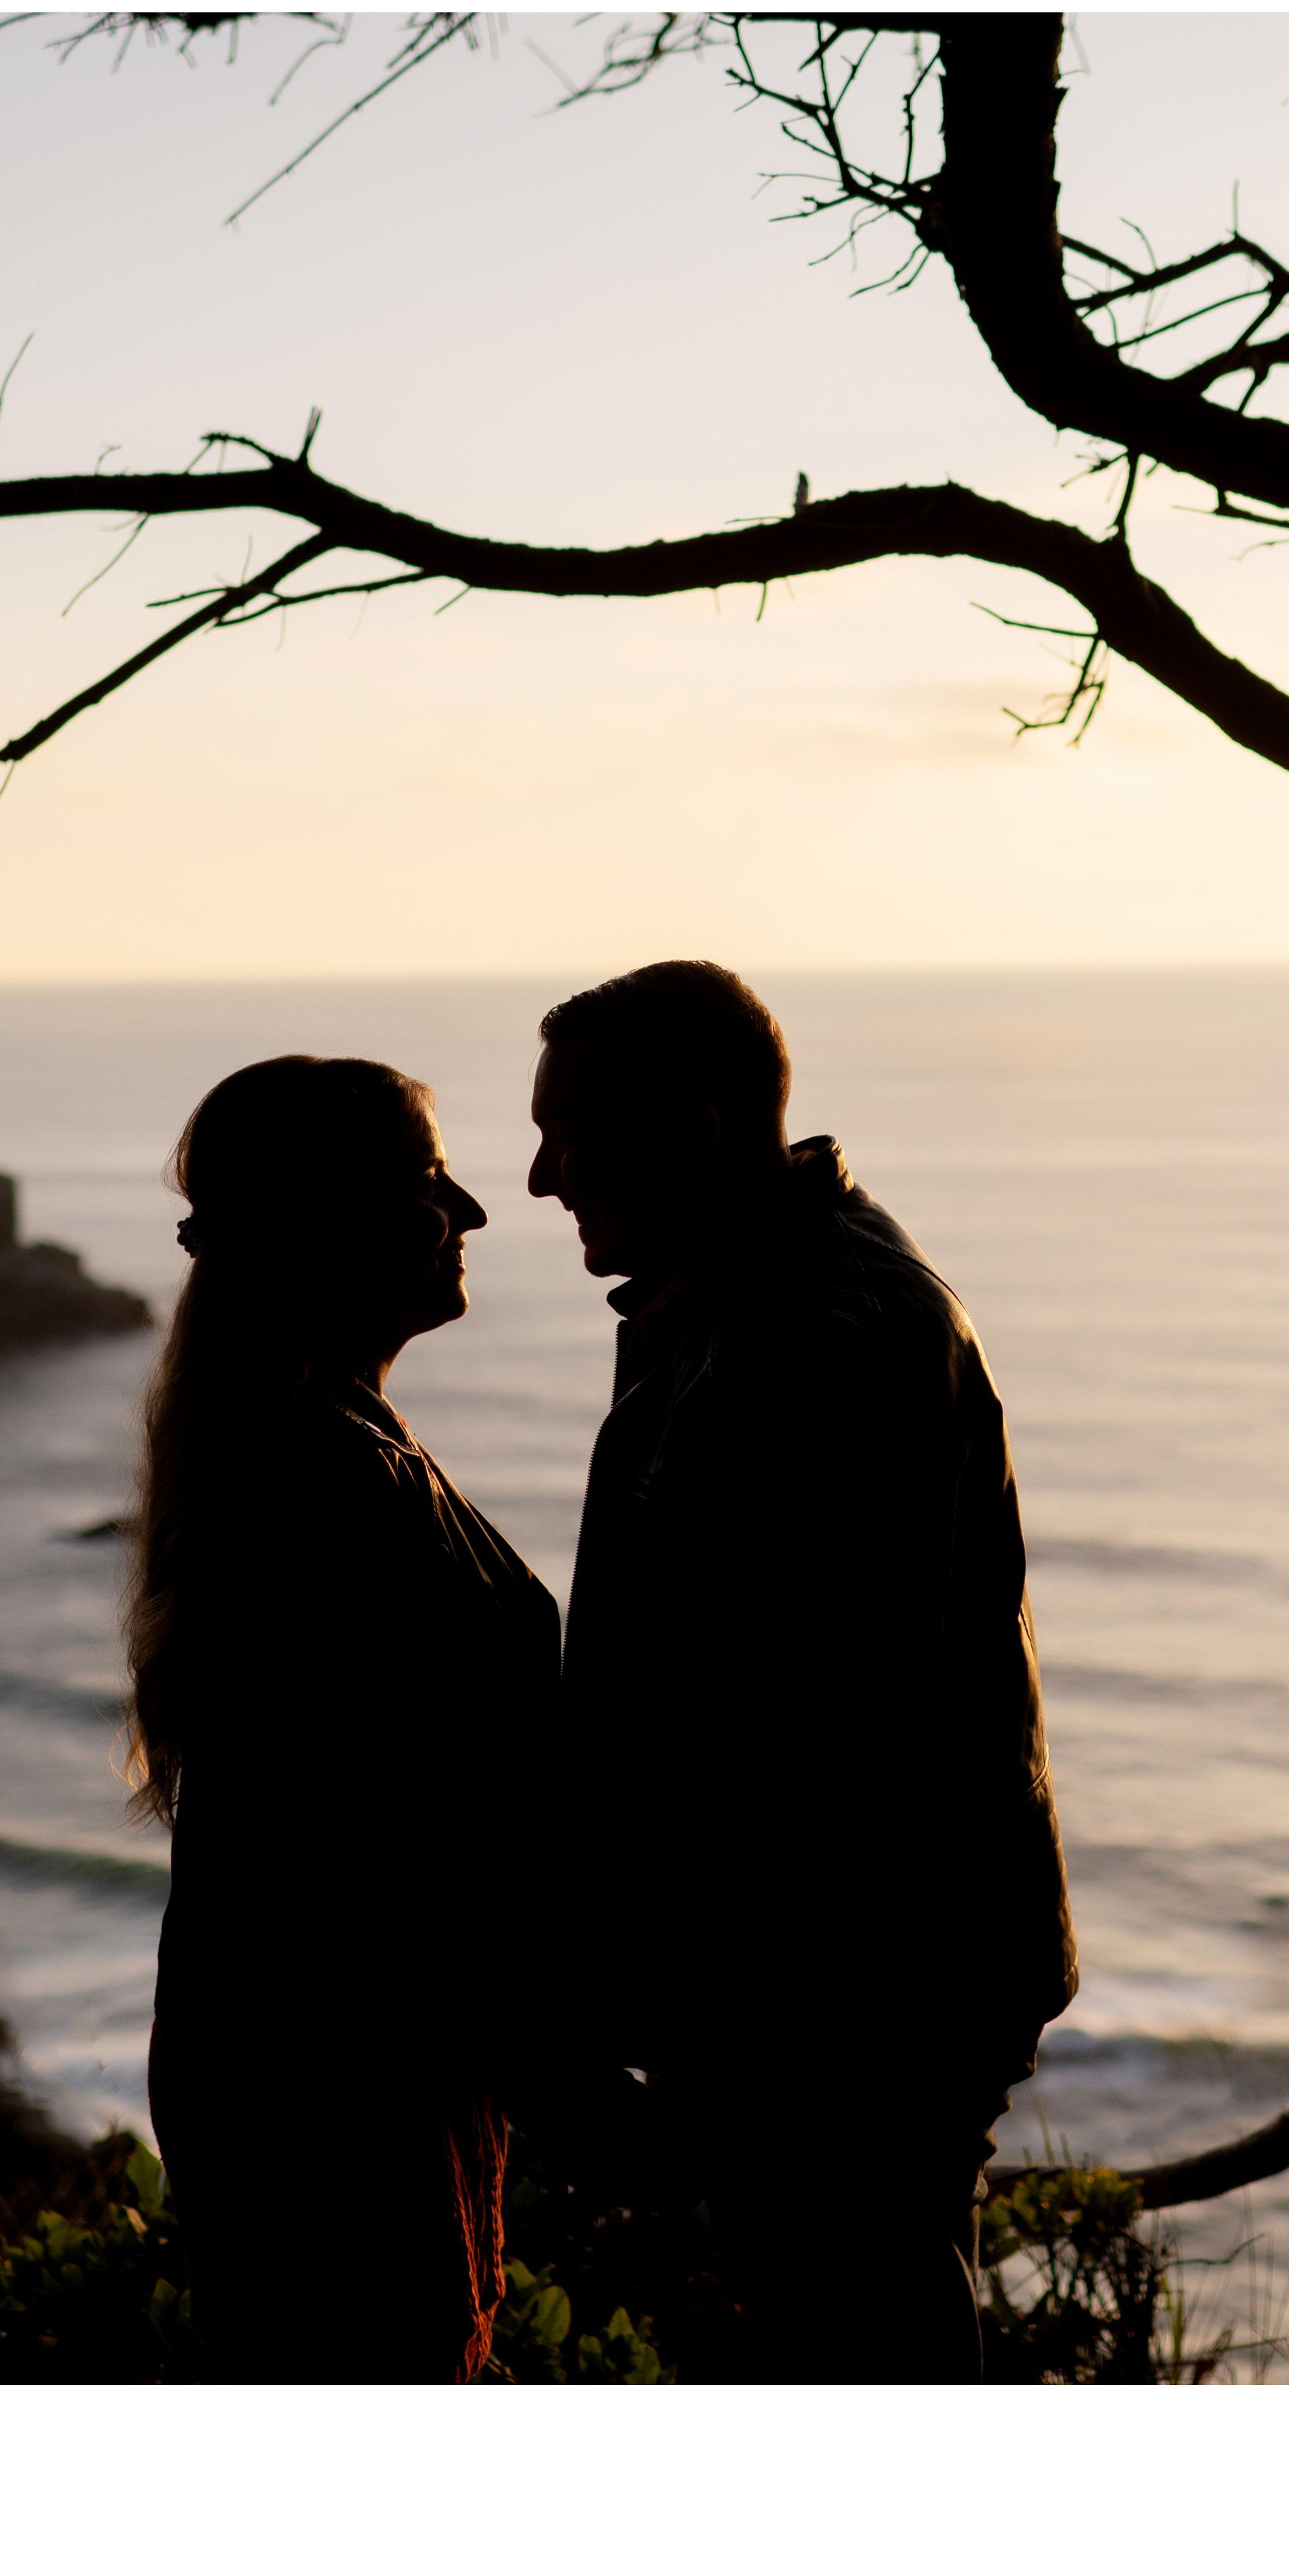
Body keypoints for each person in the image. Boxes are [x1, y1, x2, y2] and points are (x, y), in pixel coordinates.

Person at [530, 961, 1077, 2380]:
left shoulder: (815, 1334)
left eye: (570, 1136)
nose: (538, 1179)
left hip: (845, 1996)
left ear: (690, 1133)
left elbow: (799, 1726)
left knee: (866, 2330)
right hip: (831, 1979)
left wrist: (651, 1991)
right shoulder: (741, 1293)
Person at [130, 1055, 556, 2383]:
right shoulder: (324, 1478)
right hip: (332, 2100)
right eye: (432, 1184)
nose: (473, 1210)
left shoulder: (323, 1438)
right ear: (335, 1223)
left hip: (325, 2072)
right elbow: (381, 1842)